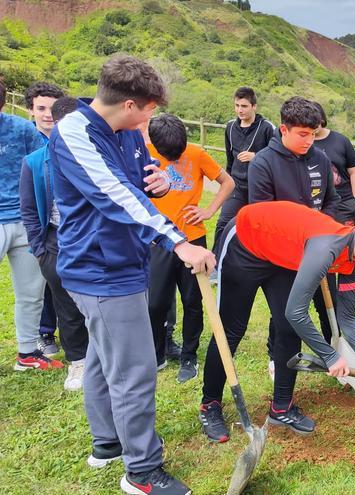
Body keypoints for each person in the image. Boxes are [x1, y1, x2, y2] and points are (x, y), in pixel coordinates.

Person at [50, 55, 215, 495]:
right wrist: (179, 242)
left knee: (106, 360)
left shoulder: (127, 133)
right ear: (129, 104)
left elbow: (136, 180)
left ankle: (107, 445)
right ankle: (142, 470)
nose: (150, 121)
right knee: (137, 370)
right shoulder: (76, 133)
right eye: (149, 111)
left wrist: (157, 180)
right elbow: (114, 194)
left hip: (123, 262)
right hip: (101, 271)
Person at [198, 201, 355, 442]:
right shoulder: (326, 249)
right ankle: (209, 405)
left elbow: (346, 318)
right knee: (231, 330)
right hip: (246, 240)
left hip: (283, 254)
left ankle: (281, 408)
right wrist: (329, 355)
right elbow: (297, 312)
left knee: (288, 330)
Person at [247, 96, 339, 379]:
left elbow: (331, 202)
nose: (309, 140)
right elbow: (262, 217)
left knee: (329, 304)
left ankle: (335, 355)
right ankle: (277, 355)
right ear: (284, 130)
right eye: (302, 134)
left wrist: (323, 234)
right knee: (285, 311)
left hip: (318, 249)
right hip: (282, 255)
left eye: (313, 134)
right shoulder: (263, 164)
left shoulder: (320, 159)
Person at [143, 114, 234, 382]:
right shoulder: (144, 155)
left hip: (193, 238)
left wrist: (208, 210)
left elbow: (228, 182)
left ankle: (189, 356)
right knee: (155, 302)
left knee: (193, 301)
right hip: (158, 240)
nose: (174, 157)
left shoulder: (196, 153)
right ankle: (157, 354)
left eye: (177, 153)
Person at [20, 96, 89, 390]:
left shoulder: (93, 157)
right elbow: (29, 210)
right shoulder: (35, 162)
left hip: (91, 238)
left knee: (99, 303)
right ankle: (78, 362)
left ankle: (107, 358)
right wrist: (40, 250)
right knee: (66, 304)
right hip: (56, 241)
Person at [1, 80, 55, 371]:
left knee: (31, 291)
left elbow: (45, 161)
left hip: (24, 220)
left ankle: (27, 352)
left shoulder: (21, 129)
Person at [24, 82, 66, 357]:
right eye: (41, 108)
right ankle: (45, 332)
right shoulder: (28, 142)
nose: (47, 114)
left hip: (66, 225)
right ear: (32, 110)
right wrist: (36, 246)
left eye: (52, 108)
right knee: (43, 284)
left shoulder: (68, 140)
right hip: (37, 222)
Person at [213, 87, 274, 252]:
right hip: (236, 185)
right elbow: (229, 159)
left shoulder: (267, 128)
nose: (240, 110)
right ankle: (215, 264)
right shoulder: (230, 127)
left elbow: (277, 157)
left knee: (259, 229)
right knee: (223, 223)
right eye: (237, 105)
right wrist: (227, 184)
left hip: (260, 187)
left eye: (244, 106)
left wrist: (256, 157)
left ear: (254, 106)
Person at [312, 102, 355, 225]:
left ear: (322, 119)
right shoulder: (305, 143)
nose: (314, 125)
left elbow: (354, 171)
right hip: (316, 204)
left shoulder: (341, 140)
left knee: (345, 242)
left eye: (316, 120)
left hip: (344, 203)